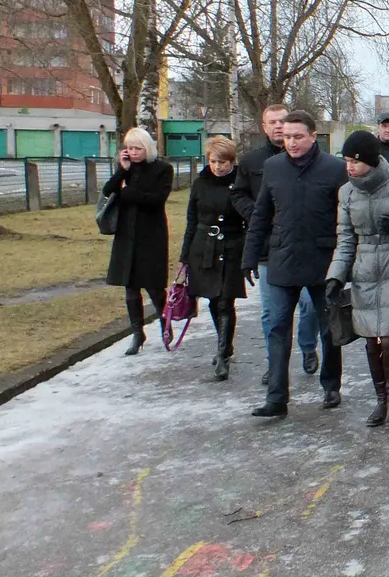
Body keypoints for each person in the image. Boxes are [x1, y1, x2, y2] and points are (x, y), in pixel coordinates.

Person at [240, 110, 349, 417]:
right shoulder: (272, 168)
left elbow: (347, 218)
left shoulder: (334, 169)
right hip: (282, 259)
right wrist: (249, 256)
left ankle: (331, 386)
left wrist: (346, 263)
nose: (291, 143)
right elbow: (260, 215)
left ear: (314, 136)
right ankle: (276, 397)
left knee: (329, 328)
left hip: (322, 261)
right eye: (286, 137)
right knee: (276, 327)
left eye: (298, 136)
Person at [326, 131, 389, 429]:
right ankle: (381, 400)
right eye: (346, 161)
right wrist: (335, 276)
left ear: (370, 162)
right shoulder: (346, 193)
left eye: (354, 162)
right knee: (371, 338)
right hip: (365, 267)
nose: (349, 167)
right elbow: (345, 239)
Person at [232, 104, 318, 385]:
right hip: (270, 249)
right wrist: (260, 215)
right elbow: (238, 196)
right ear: (264, 127)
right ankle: (275, 365)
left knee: (310, 306)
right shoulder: (252, 162)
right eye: (273, 122)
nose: (280, 127)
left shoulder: (310, 160)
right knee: (272, 313)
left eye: (284, 121)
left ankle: (308, 347)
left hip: (306, 248)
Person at [178, 136, 247, 380]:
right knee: (212, 299)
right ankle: (225, 344)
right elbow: (191, 220)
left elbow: (248, 218)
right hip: (203, 248)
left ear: (232, 161)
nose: (218, 167)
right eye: (214, 161)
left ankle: (222, 354)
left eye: (223, 162)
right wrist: (184, 257)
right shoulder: (200, 183)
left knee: (225, 301)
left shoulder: (240, 182)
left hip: (231, 247)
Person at [103, 127, 175, 356]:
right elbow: (108, 191)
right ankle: (137, 332)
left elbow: (156, 199)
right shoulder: (127, 169)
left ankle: (166, 322)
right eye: (129, 148)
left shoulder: (163, 169)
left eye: (137, 148)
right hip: (127, 233)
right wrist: (122, 172)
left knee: (154, 286)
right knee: (130, 286)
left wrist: (128, 194)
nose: (133, 152)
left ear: (147, 148)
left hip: (151, 233)